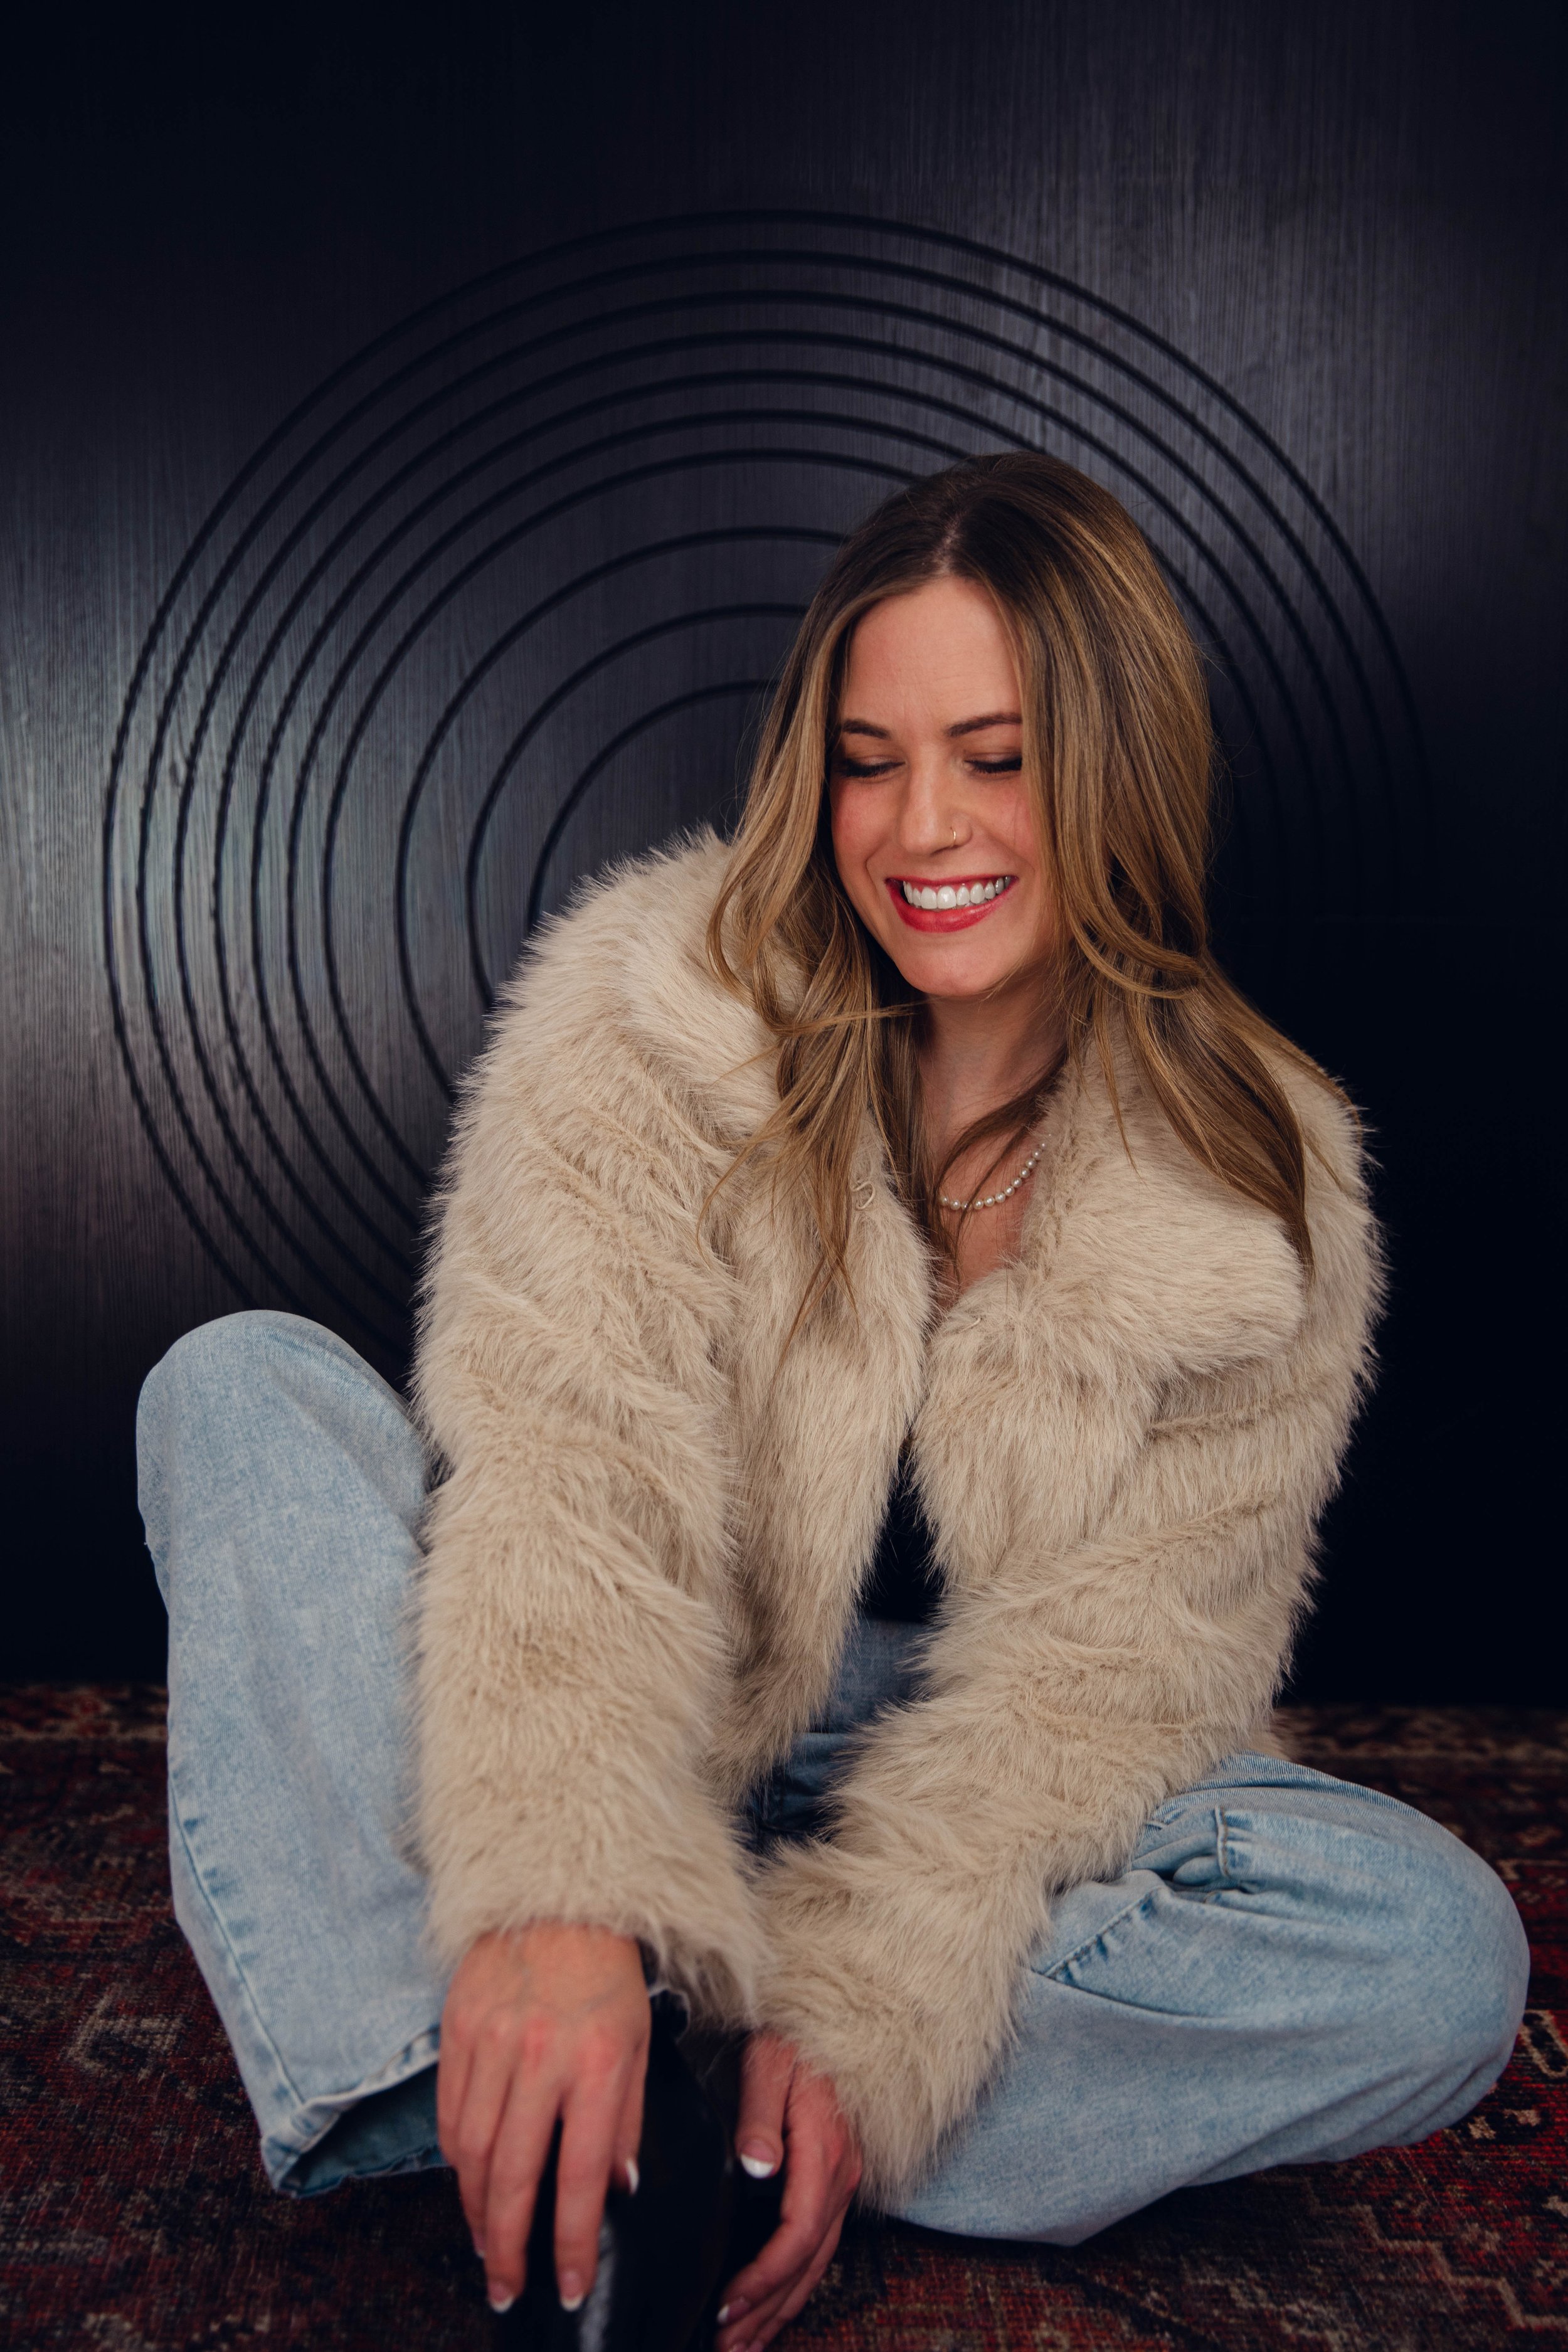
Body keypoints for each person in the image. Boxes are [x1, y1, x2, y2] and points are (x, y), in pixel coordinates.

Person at [138, 454, 1528, 2349]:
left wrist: (862, 2023)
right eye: (870, 756)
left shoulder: (1252, 1174)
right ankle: (489, 2054)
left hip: (948, 1791)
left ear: (1113, 765)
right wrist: (564, 1878)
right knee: (238, 1396)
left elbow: (1111, 1686)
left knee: (1432, 1953)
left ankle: (670, 2119)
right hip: (640, 1689)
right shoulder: (652, 1007)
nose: (920, 823)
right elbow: (570, 1477)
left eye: (996, 752)